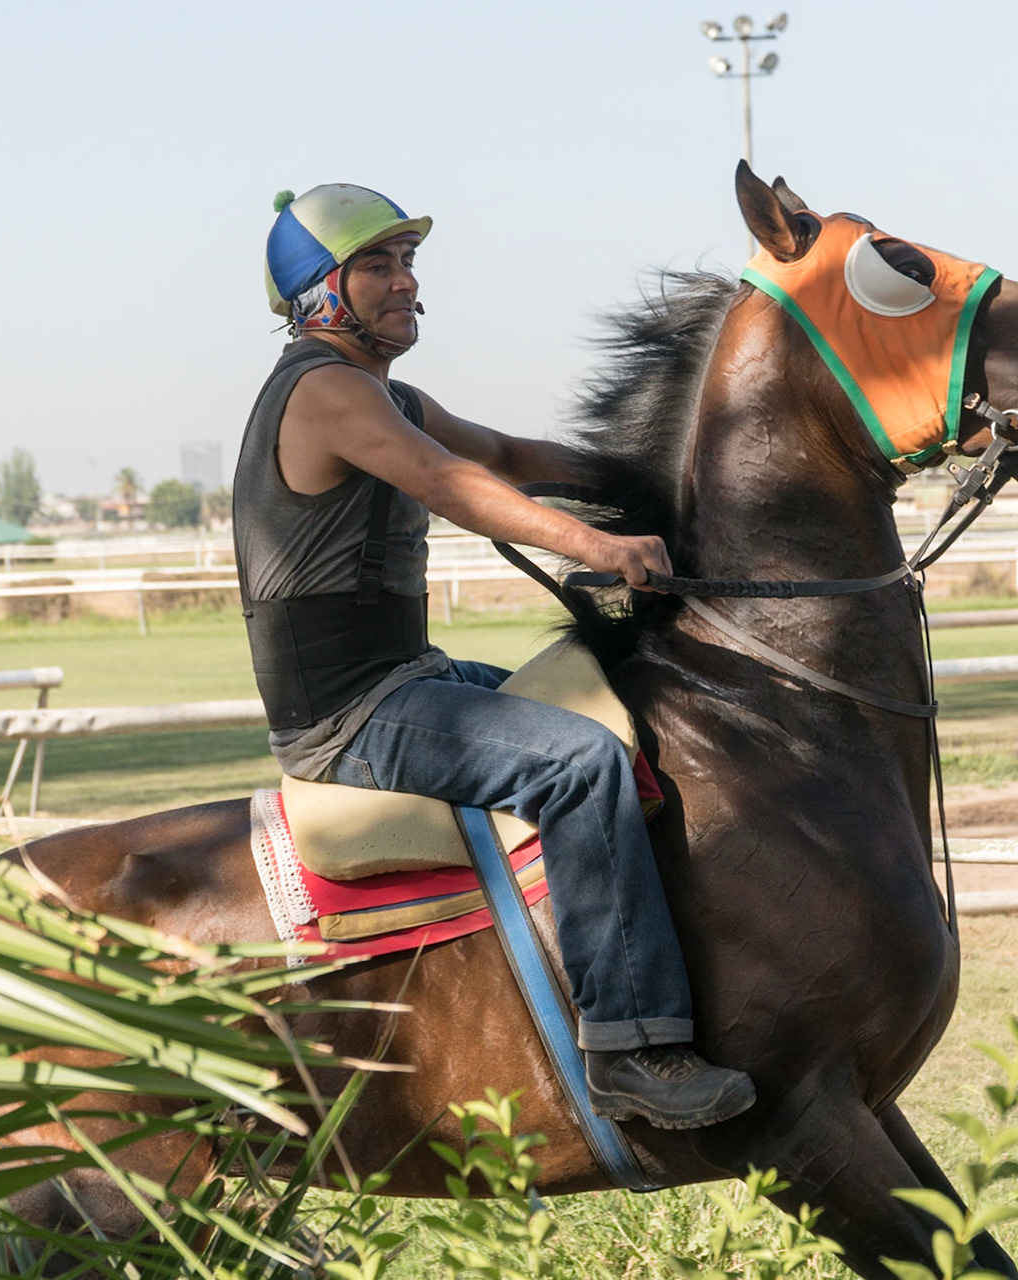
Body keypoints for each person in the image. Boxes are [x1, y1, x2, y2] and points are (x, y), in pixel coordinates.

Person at [234, 184, 755, 1130]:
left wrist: (655, 484)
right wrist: (598, 548)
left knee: (624, 703)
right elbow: (450, 484)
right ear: (320, 290)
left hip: (411, 682)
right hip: (348, 718)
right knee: (577, 761)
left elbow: (506, 451)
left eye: (408, 262)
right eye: (379, 266)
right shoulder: (324, 388)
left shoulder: (387, 391)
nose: (407, 283)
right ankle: (632, 1045)